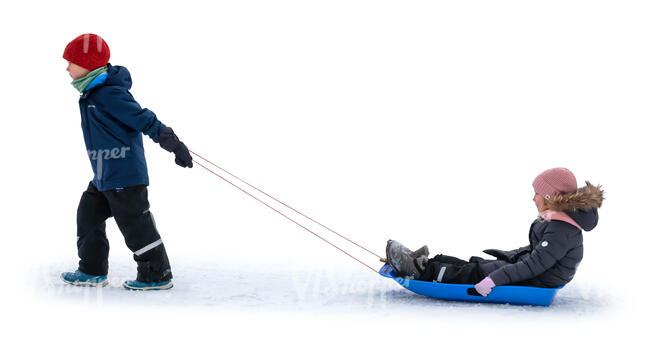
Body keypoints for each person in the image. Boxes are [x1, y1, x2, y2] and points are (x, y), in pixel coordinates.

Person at [59, 33, 193, 290]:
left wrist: (173, 144)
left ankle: (157, 274)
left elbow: (143, 119)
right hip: (104, 173)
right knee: (88, 216)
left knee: (135, 225)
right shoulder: (93, 92)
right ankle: (92, 270)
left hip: (124, 174)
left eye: (71, 62)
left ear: (88, 64)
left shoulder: (108, 94)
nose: (67, 68)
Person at [384, 167, 604, 296]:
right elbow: (536, 252)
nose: (533, 198)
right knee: (477, 264)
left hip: (539, 279)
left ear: (549, 198)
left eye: (537, 193)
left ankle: (422, 273)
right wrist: (509, 256)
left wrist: (494, 279)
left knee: (478, 273)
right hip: (539, 273)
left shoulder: (561, 229)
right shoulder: (558, 223)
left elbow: (535, 265)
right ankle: (426, 262)